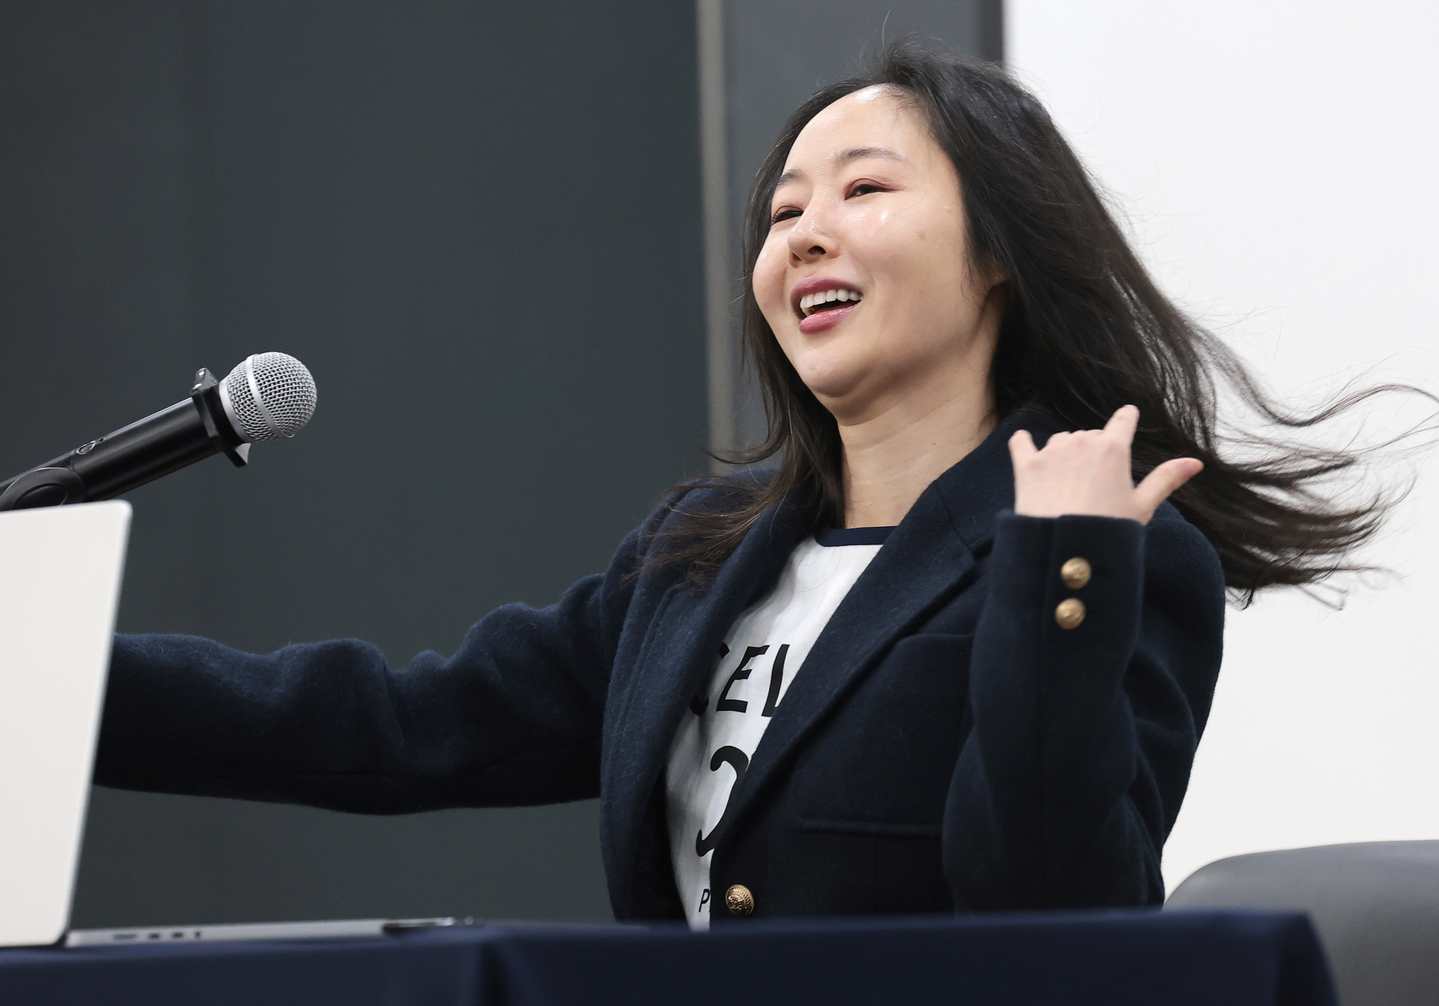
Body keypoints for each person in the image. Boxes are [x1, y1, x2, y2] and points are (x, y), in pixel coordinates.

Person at [93, 47, 1392, 929]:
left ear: (998, 254)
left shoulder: (1109, 551)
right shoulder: (696, 558)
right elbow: (393, 724)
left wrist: (1063, 563)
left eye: (864, 192)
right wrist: (49, 679)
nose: (804, 234)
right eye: (781, 213)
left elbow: (1055, 911)